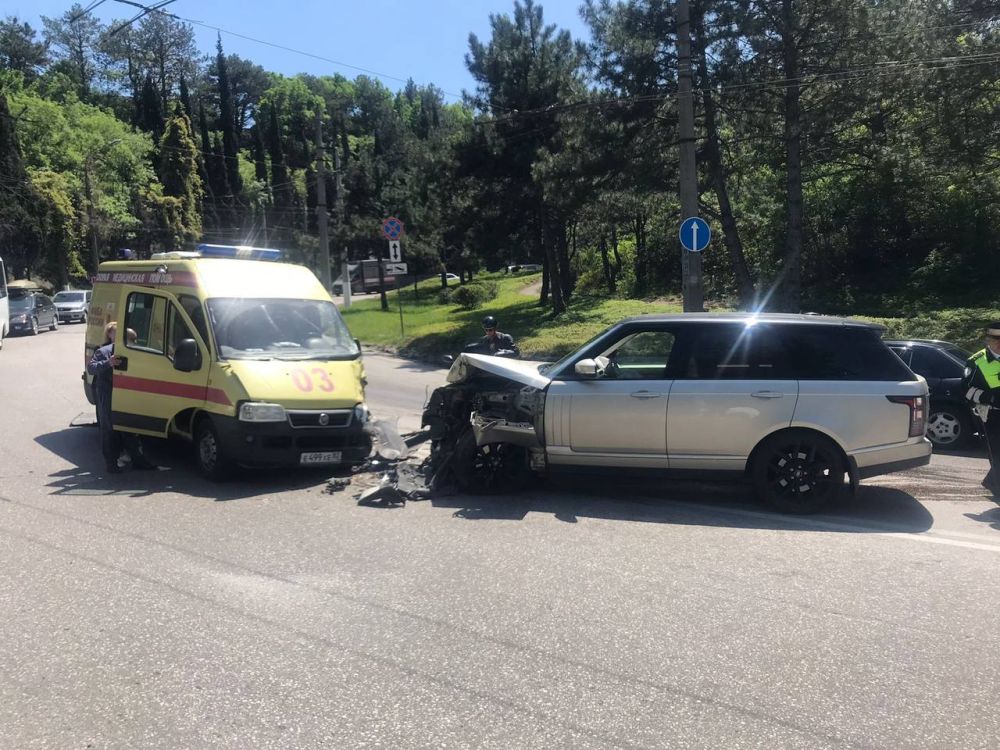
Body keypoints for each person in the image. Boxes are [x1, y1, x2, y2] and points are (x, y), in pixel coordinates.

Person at [87, 321, 155, 474]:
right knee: (109, 428)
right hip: (108, 392)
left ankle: (138, 460)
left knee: (130, 427)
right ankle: (111, 463)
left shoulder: (135, 351)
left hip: (127, 392)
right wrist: (108, 363)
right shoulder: (104, 351)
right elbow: (91, 368)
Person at [962, 321, 1000, 496]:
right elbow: (965, 389)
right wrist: (988, 397)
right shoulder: (977, 361)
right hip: (992, 414)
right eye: (995, 339)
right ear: (987, 340)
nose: (999, 343)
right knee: (997, 452)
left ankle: (992, 483)